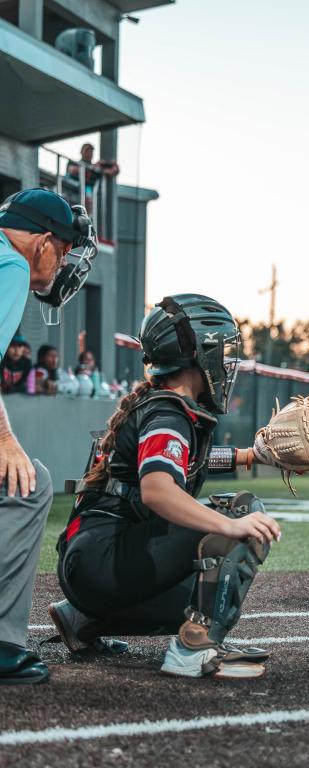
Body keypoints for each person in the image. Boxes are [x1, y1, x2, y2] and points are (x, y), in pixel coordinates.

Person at [49, 294, 282, 679]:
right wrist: (228, 525)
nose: (226, 362)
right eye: (219, 351)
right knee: (244, 512)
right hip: (104, 559)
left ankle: (81, 619)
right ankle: (193, 650)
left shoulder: (160, 405)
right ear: (195, 354)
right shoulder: (169, 411)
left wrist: (250, 455)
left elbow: (183, 461)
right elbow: (158, 488)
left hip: (90, 561)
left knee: (197, 594)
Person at [0, 188, 83, 685]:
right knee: (27, 485)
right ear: (44, 242)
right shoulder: (10, 266)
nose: (65, 262)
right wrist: (6, 440)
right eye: (67, 250)